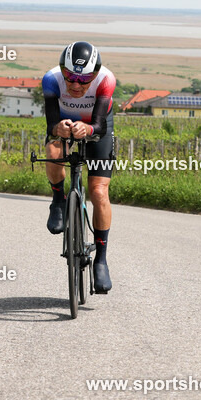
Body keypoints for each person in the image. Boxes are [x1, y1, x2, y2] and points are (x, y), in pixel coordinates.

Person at [41, 41, 116, 293]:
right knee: (53, 151)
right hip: (64, 123)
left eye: (84, 80)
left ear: (95, 74)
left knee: (98, 192)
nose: (75, 85)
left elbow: (100, 125)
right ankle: (59, 200)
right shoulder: (51, 79)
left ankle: (101, 260)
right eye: (70, 77)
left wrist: (89, 129)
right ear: (62, 71)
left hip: (97, 127)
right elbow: (51, 122)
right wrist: (57, 129)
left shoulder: (106, 79)